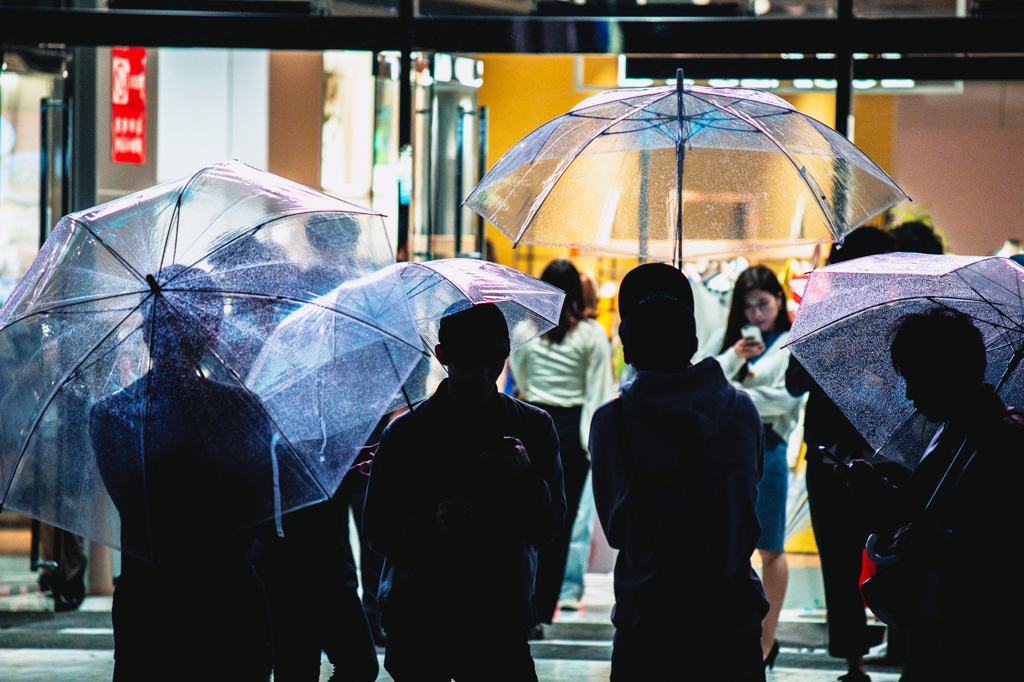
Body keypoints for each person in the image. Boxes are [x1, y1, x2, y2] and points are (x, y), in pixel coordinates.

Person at [363, 302, 566, 682]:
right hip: (421, 613)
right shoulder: (406, 434)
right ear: (443, 356)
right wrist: (429, 525)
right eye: (471, 361)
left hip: (499, 612)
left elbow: (549, 526)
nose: (485, 374)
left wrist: (525, 477)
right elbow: (375, 528)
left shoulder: (534, 427)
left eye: (495, 360)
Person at [90, 265, 270, 681]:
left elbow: (129, 503)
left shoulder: (111, 415)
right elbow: (259, 512)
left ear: (145, 332)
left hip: (148, 602)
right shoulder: (240, 409)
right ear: (212, 335)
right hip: (228, 600)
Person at [590, 262, 769, 681]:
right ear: (692, 342)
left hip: (648, 621)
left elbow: (617, 531)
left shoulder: (612, 424)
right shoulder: (742, 410)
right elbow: (747, 498)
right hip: (731, 619)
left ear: (625, 348)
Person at [838, 307, 1023, 681]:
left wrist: (939, 545)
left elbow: (1004, 548)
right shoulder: (950, 433)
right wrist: (881, 500)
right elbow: (924, 515)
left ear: (948, 374)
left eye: (916, 379)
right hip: (932, 627)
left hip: (979, 638)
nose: (908, 394)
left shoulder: (1006, 440)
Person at [785, 226, 907, 681]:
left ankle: (857, 663)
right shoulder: (824, 316)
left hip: (843, 454)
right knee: (883, 552)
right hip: (869, 452)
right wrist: (831, 356)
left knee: (846, 557)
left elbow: (792, 384)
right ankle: (870, 657)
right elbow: (795, 381)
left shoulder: (826, 313)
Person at [698, 264, 803, 667]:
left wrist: (737, 395)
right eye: (748, 306)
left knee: (771, 547)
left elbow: (784, 402)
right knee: (727, 548)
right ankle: (734, 636)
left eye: (764, 303)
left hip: (770, 448)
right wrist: (731, 359)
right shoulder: (727, 342)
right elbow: (706, 387)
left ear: (779, 300)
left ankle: (766, 641)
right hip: (725, 453)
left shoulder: (791, 342)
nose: (757, 314)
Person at [509, 260, 614, 631]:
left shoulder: (525, 329)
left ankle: (518, 604)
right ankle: (540, 615)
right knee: (558, 524)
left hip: (530, 425)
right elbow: (599, 391)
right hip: (570, 435)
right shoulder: (591, 334)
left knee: (521, 521)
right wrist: (593, 444)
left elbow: (519, 376)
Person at [252, 449, 380, 682]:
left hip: (306, 549)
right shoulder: (274, 427)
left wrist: (347, 464)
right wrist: (347, 480)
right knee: (357, 665)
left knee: (298, 667)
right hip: (298, 552)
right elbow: (284, 485)